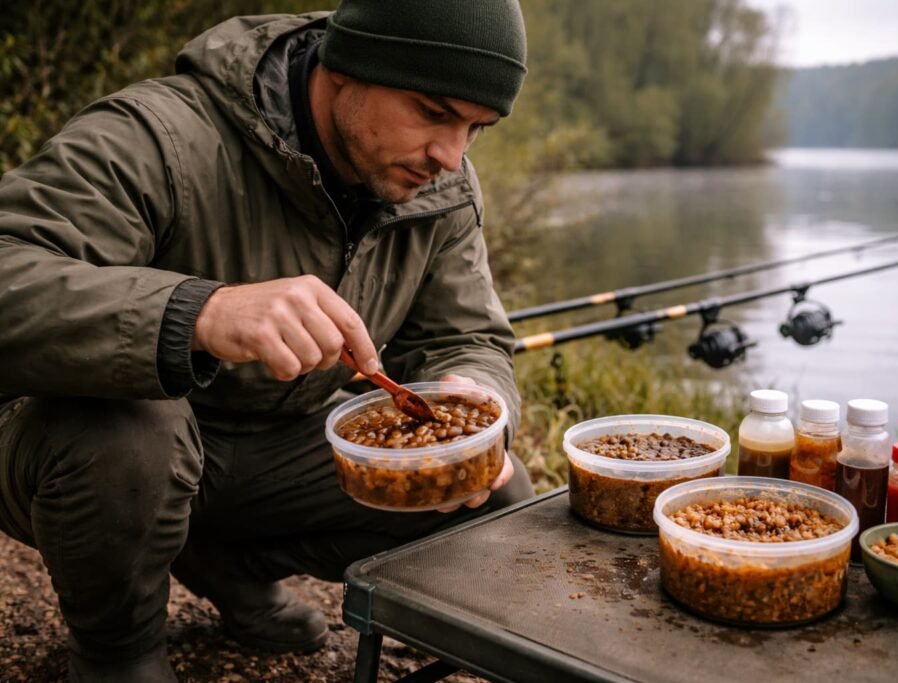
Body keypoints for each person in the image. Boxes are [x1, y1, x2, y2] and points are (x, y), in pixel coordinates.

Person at [0, 1, 531, 680]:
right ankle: (118, 651)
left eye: (475, 128)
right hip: (85, 437)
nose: (450, 155)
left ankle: (223, 562)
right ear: (348, 68)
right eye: (432, 111)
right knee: (132, 435)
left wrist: (478, 399)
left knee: (493, 493)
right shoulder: (160, 136)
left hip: (269, 445)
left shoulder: (438, 186)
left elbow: (468, 334)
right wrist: (199, 313)